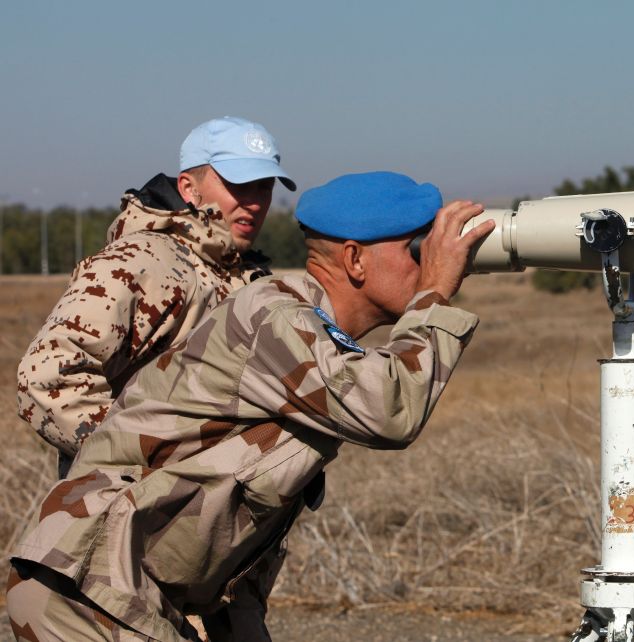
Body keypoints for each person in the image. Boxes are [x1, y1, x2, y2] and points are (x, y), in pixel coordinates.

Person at [7, 171, 496, 641]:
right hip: (86, 588)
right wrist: (434, 293)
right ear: (355, 259)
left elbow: (237, 537)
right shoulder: (272, 317)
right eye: (417, 250)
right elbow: (392, 412)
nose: (431, 263)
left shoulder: (317, 344)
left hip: (122, 589)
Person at [16, 116, 296, 478]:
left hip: (215, 522)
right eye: (238, 184)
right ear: (188, 188)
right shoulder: (144, 261)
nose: (255, 202)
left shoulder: (248, 276)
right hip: (135, 519)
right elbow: (48, 375)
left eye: (264, 187)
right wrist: (148, 468)